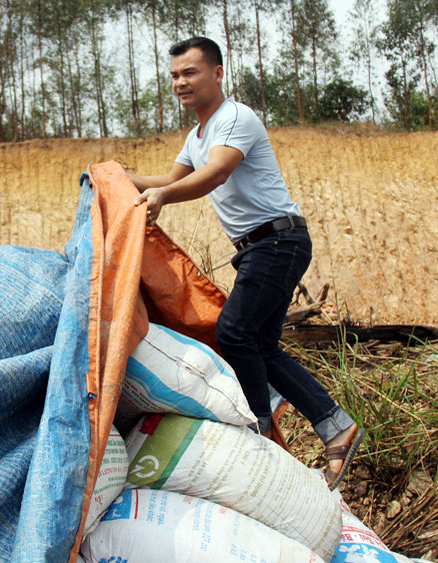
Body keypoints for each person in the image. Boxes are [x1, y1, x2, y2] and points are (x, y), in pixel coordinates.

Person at [127, 36, 363, 489]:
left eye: (191, 72)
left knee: (234, 333)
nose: (181, 82)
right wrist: (118, 177)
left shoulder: (235, 118)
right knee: (261, 345)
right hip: (262, 248)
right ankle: (335, 426)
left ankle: (258, 432)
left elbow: (213, 174)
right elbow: (172, 179)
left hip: (278, 241)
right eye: (175, 75)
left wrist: (160, 195)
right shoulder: (196, 136)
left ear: (217, 73)